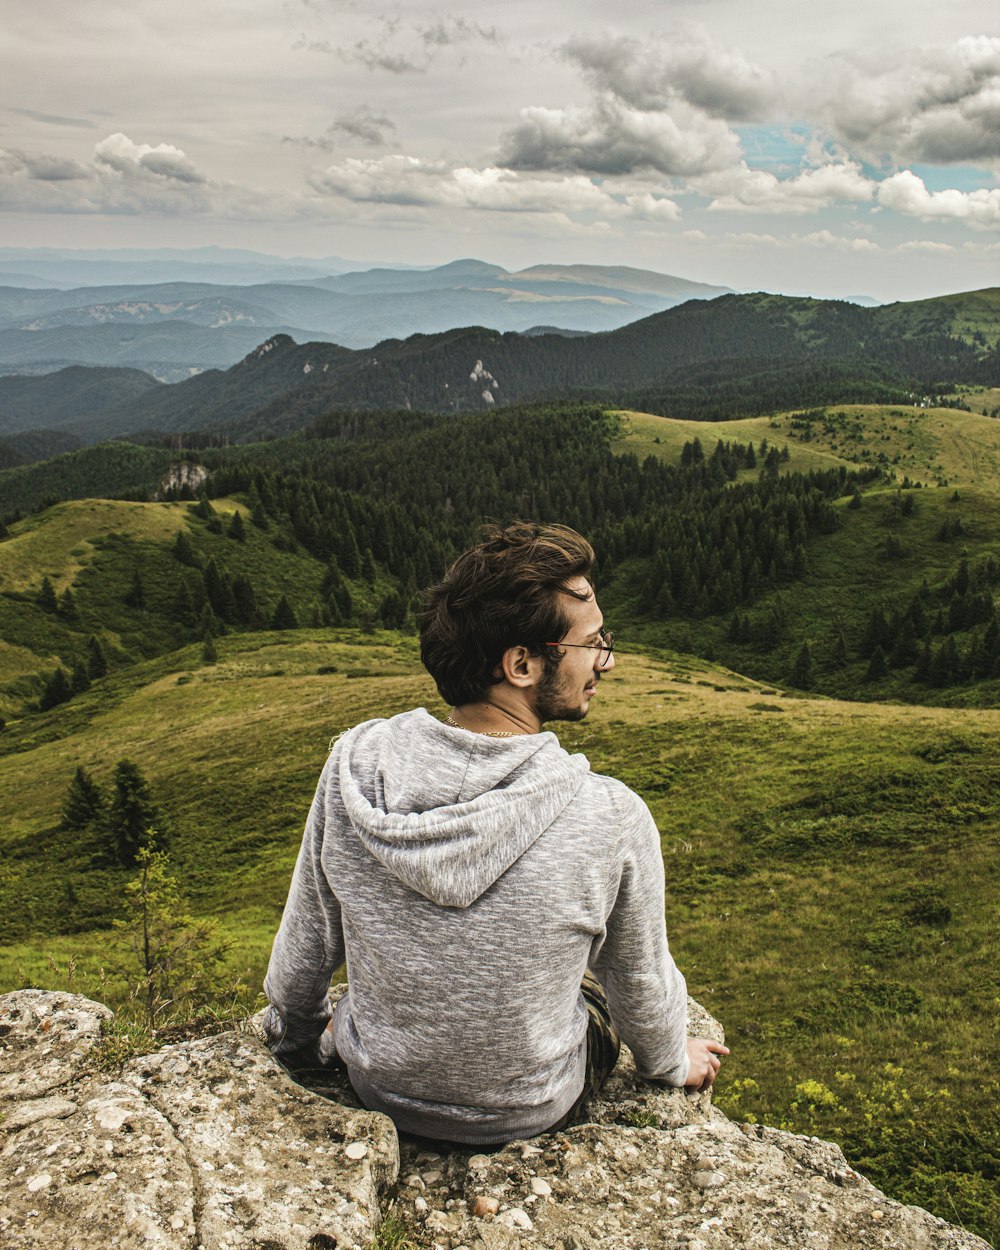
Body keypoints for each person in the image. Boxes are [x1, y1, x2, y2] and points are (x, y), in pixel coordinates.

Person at [262, 521, 727, 1146]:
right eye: (593, 644)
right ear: (522, 663)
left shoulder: (356, 767)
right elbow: (639, 985)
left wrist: (297, 1045)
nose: (607, 663)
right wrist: (671, 1062)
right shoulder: (609, 814)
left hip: (378, 1090)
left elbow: (306, 949)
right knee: (587, 988)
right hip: (530, 1112)